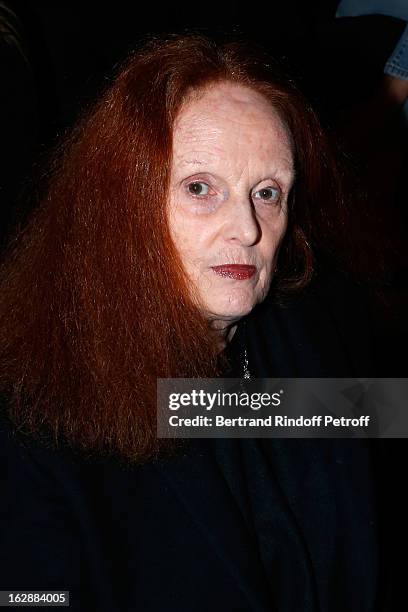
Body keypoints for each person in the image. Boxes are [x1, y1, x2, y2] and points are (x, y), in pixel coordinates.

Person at [0, 35, 383, 611]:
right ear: (120, 205)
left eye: (267, 192)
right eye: (200, 188)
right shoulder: (33, 419)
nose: (247, 229)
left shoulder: (299, 327)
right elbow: (30, 596)